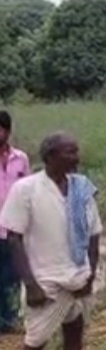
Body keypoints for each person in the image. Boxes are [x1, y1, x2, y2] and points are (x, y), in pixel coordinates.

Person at [0, 132, 102, 350]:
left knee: (74, 332)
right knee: (35, 342)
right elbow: (14, 239)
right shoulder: (26, 189)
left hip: (79, 277)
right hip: (45, 280)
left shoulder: (82, 188)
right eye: (70, 152)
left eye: (76, 151)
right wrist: (31, 285)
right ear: (50, 156)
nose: (76, 157)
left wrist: (90, 275)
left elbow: (94, 234)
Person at [0, 110, 30, 333]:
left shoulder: (21, 159)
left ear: (8, 131)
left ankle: (9, 320)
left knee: (12, 275)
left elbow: (28, 191)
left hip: (13, 229)